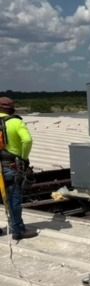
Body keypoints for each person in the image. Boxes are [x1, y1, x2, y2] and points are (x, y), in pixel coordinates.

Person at [0, 96, 38, 240]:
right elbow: (27, 140)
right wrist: (23, 157)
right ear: (11, 108)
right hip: (11, 166)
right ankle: (18, 230)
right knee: (14, 199)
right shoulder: (15, 122)